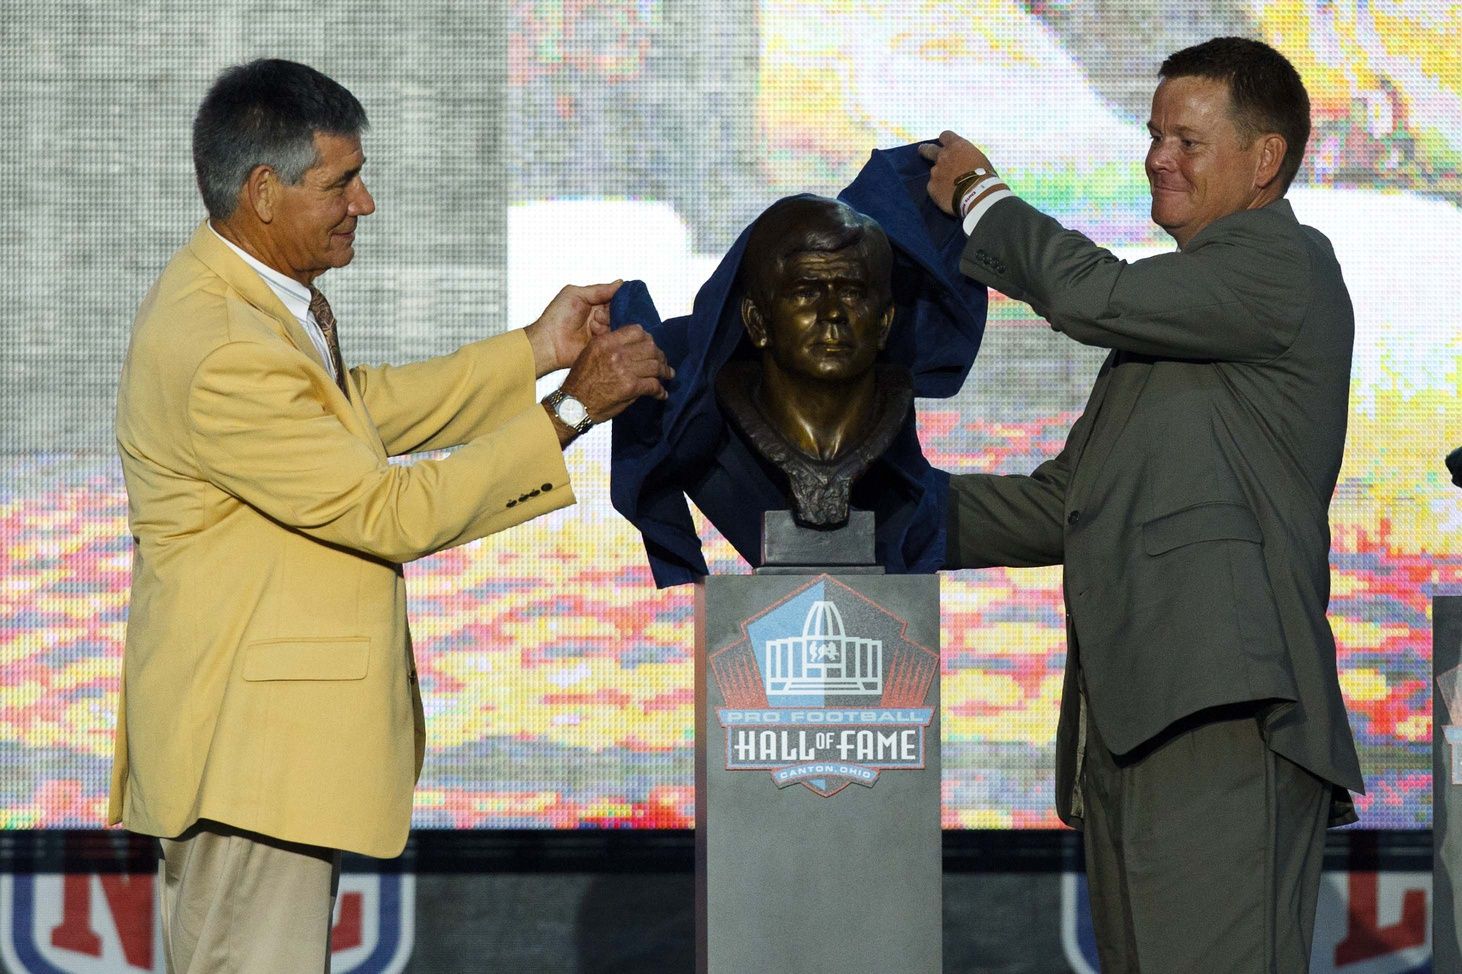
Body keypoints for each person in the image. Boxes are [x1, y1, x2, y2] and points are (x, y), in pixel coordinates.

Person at [110, 58, 669, 972]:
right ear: (261, 190)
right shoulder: (222, 346)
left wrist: (536, 350)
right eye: (341, 182)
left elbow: (346, 413)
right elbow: (386, 509)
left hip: (261, 756)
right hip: (249, 762)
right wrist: (572, 410)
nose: (364, 203)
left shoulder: (244, 303)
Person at [921, 36, 1362, 972]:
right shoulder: (1175, 332)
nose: (1158, 156)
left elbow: (1092, 294)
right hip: (1138, 723)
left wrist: (980, 197)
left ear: (1265, 161)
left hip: (1223, 714)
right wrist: (874, 514)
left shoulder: (1281, 263)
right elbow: (1060, 508)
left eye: (1188, 140)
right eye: (1154, 134)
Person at [717, 196, 906, 527]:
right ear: (758, 322)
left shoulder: (896, 402)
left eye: (852, 293)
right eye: (805, 292)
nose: (832, 312)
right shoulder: (721, 418)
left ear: (884, 324)